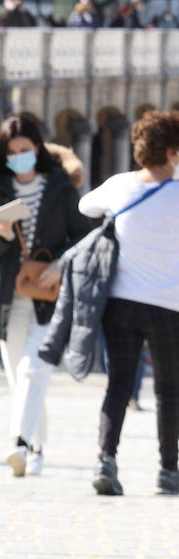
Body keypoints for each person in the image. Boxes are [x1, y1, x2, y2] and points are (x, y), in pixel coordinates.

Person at [0, 114, 93, 478]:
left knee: (33, 369)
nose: (19, 157)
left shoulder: (60, 187)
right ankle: (36, 448)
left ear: (37, 148)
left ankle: (19, 445)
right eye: (11, 152)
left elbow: (86, 236)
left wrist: (61, 262)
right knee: (21, 380)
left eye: (25, 150)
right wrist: (4, 236)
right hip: (8, 298)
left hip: (49, 294)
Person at [72, 111, 179, 496]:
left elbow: (86, 207)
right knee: (169, 390)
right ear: (170, 152)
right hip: (169, 304)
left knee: (118, 384)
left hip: (120, 303)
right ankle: (168, 469)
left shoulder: (119, 186)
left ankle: (106, 459)